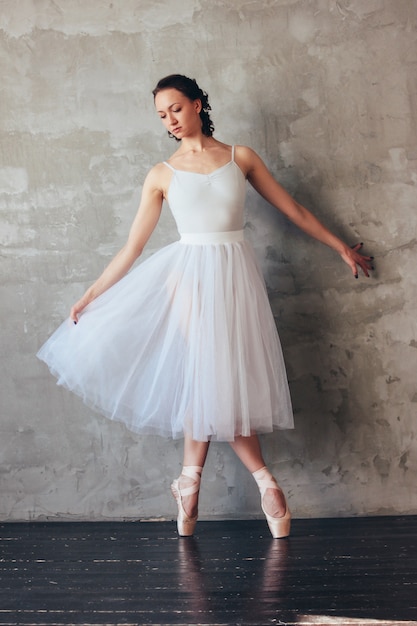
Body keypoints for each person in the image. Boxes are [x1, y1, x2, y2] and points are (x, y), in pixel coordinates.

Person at [37, 74, 373, 539]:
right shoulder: (161, 173)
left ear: (197, 105)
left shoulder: (242, 157)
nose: (169, 120)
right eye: (161, 115)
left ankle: (195, 484)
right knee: (215, 380)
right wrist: (91, 295)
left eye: (175, 108)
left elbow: (292, 211)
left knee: (212, 382)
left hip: (235, 280)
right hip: (188, 280)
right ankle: (260, 485)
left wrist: (340, 247)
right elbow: (132, 248)